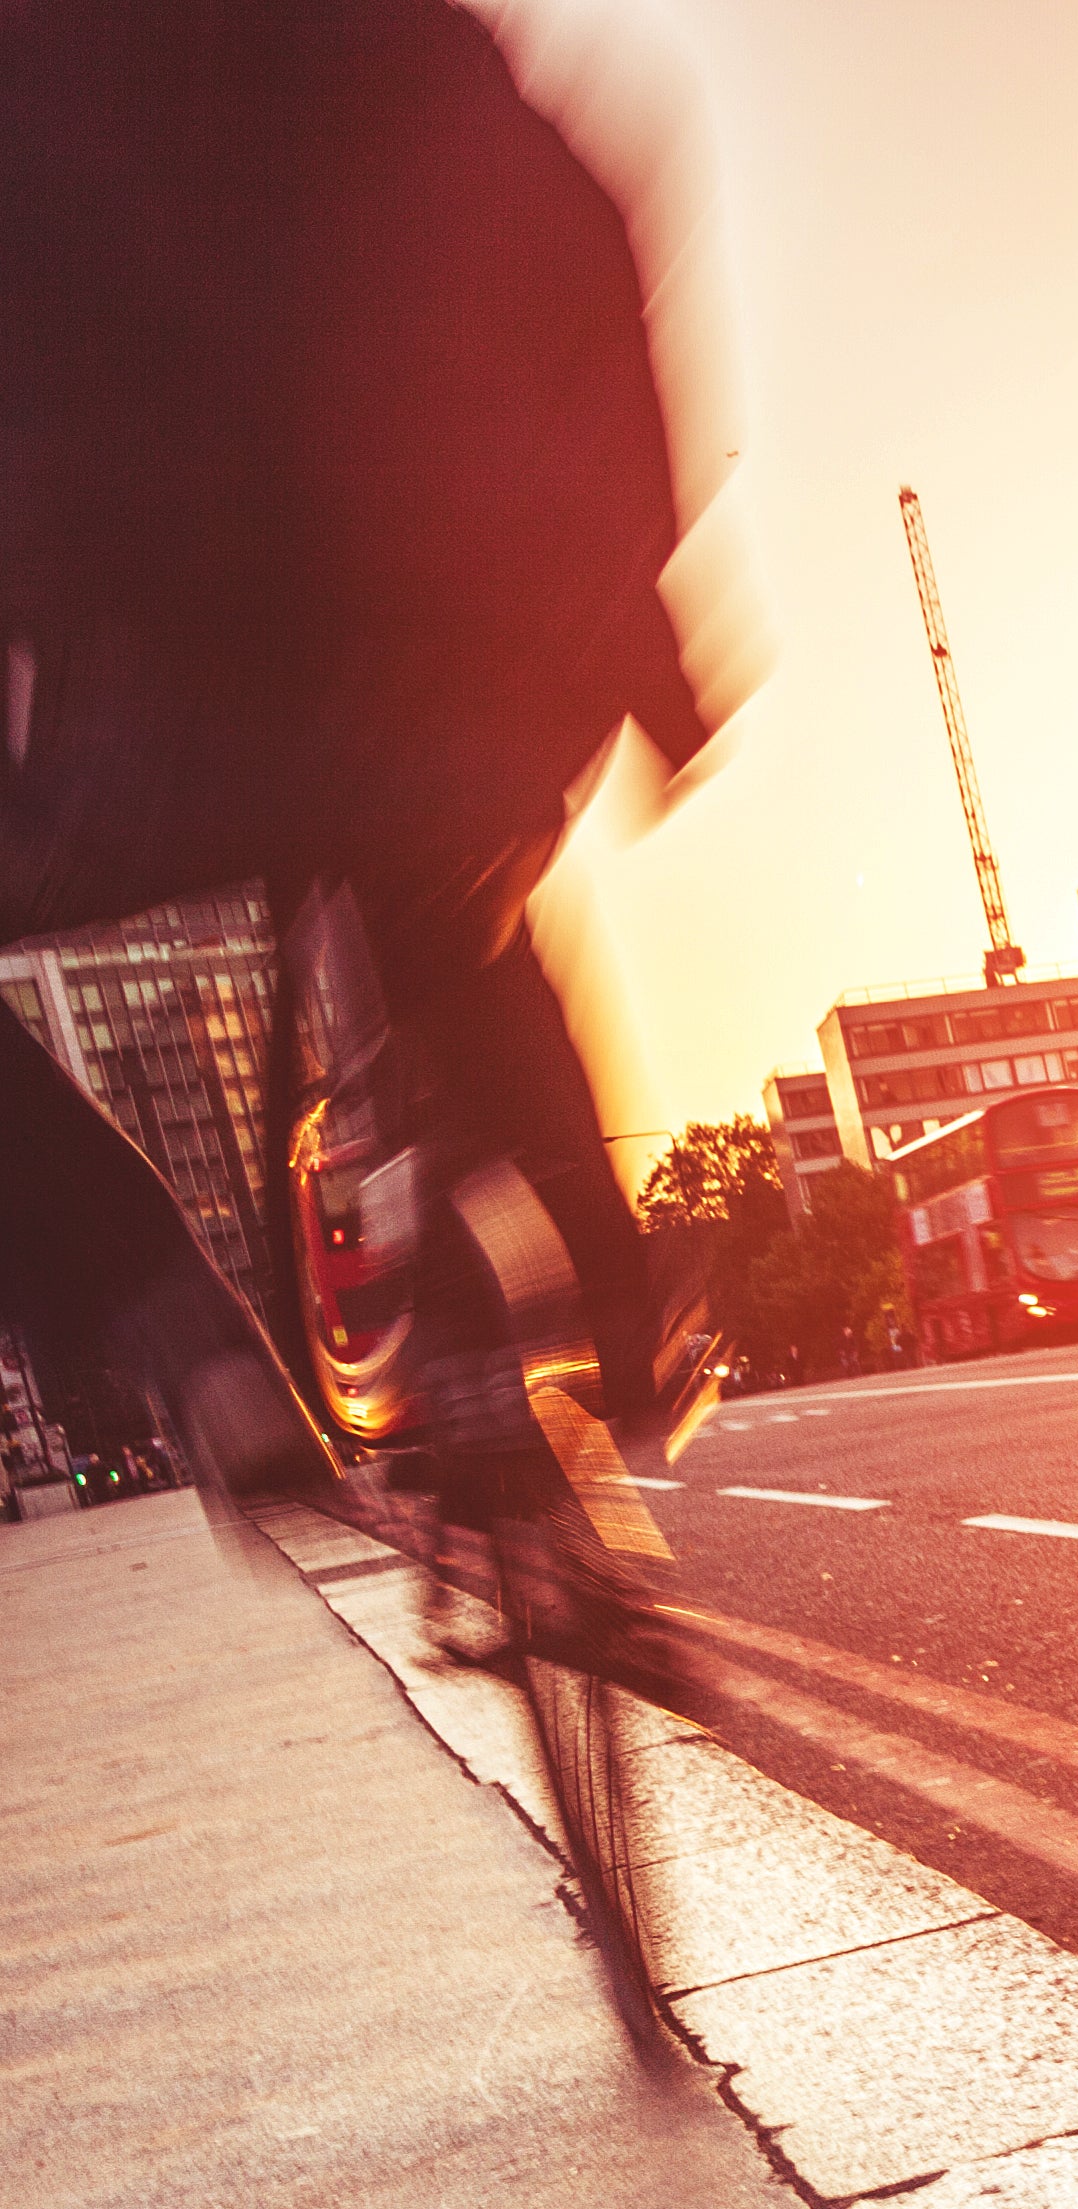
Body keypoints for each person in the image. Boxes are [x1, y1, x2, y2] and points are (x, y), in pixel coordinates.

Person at [0, 0, 728, 1596]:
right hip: (484, 651)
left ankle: (179, 1337)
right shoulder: (416, 40)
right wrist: (644, 631)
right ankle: (614, 1291)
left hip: (148, 684)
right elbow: (592, 238)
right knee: (451, 892)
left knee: (380, 819)